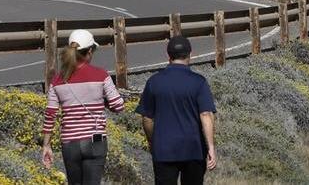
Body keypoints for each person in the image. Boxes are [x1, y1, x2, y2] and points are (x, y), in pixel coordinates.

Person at [41, 29, 125, 185]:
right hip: (95, 140)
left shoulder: (58, 80)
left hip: (70, 142)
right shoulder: (101, 75)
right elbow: (118, 105)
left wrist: (46, 145)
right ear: (90, 51)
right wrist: (103, 102)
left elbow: (50, 114)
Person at [136, 36, 217, 185]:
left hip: (164, 149)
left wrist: (152, 142)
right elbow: (206, 114)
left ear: (168, 56)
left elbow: (147, 118)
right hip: (194, 149)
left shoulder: (154, 81)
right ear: (190, 54)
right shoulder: (199, 82)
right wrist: (211, 147)